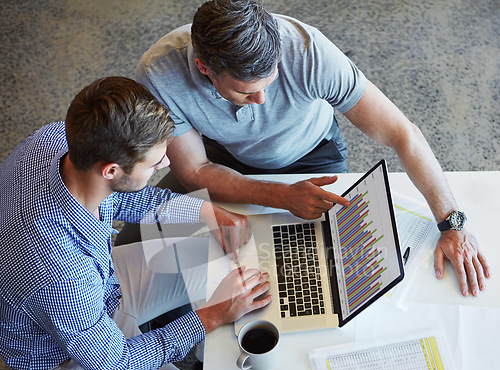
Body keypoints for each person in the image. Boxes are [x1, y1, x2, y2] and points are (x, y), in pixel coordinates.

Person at [132, 0, 490, 297]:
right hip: (222, 159)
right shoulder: (159, 73)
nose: (261, 101)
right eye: (245, 92)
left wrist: (451, 222)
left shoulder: (307, 49)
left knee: (331, 274)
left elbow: (402, 133)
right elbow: (194, 170)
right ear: (204, 68)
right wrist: (281, 196)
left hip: (314, 154)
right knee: (145, 246)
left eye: (270, 82)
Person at [0, 76, 271, 370]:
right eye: (156, 160)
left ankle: (212, 353)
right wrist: (210, 316)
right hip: (72, 361)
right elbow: (116, 365)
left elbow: (125, 199)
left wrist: (207, 211)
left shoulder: (59, 139)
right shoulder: (57, 271)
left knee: (219, 250)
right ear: (110, 169)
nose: (167, 162)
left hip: (100, 285)